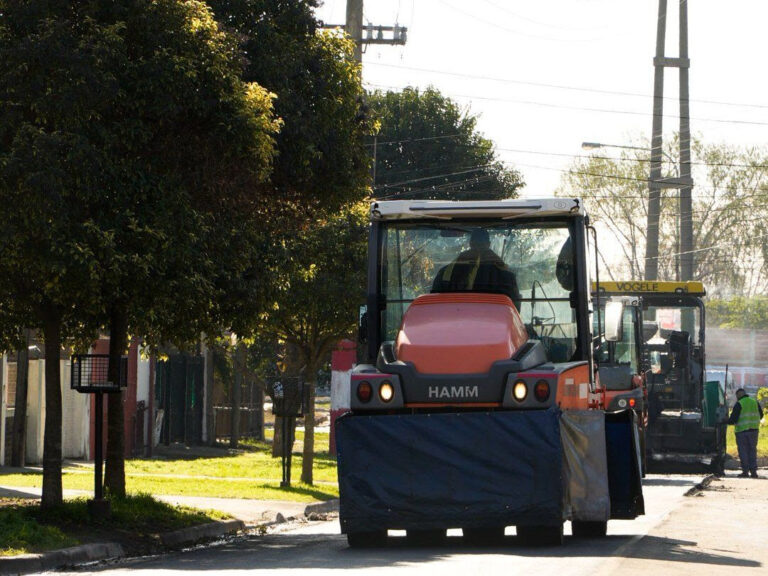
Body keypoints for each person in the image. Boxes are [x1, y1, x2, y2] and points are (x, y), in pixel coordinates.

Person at [432, 228, 521, 310]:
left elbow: (435, 304)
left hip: (454, 319)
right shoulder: (506, 274)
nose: (478, 249)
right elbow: (514, 309)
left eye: (479, 245)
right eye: (477, 245)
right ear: (488, 244)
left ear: (470, 244)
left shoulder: (446, 272)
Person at [727, 388, 763, 478]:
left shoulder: (739, 404)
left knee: (743, 451)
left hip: (742, 431)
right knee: (752, 450)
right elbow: (761, 415)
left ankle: (745, 471)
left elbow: (733, 420)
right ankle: (754, 472)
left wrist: (725, 421)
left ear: (738, 395)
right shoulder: (754, 402)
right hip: (754, 430)